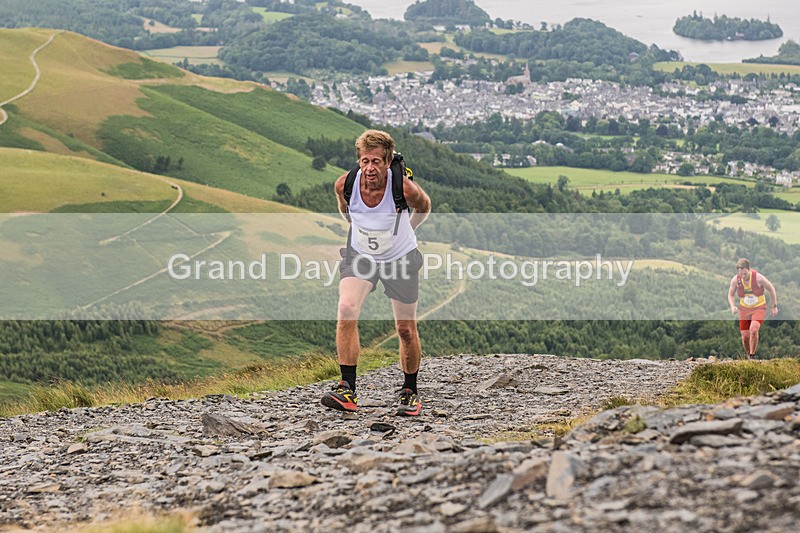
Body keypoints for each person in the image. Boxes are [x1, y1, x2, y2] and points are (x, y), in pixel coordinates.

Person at [321, 130, 431, 416]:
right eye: (365, 161)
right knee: (346, 308)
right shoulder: (345, 184)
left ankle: (409, 390)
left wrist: (408, 229)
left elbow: (424, 206)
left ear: (388, 161)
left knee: (405, 329)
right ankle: (347, 389)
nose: (370, 168)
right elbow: (346, 211)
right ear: (359, 161)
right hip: (361, 255)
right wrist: (360, 230)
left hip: (400, 258)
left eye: (377, 162)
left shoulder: (404, 189)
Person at [727, 258, 778, 359]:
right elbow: (730, 295)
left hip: (759, 308)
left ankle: (752, 355)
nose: (743, 276)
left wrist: (774, 306)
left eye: (745, 273)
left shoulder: (758, 278)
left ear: (748, 269)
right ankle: (748, 356)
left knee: (753, 330)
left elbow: (772, 289)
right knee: (745, 337)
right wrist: (732, 306)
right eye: (740, 273)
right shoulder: (735, 280)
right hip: (744, 309)